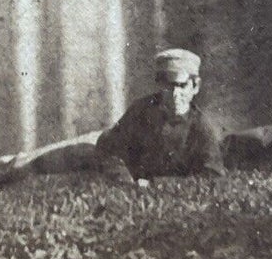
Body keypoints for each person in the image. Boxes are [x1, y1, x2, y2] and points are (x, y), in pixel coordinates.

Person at [95, 48, 225, 182]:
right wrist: (123, 178)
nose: (175, 94)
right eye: (169, 86)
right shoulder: (140, 110)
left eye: (182, 86)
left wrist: (157, 183)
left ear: (195, 87)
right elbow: (108, 147)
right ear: (159, 86)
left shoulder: (200, 126)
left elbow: (212, 174)